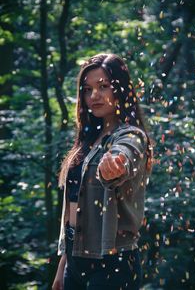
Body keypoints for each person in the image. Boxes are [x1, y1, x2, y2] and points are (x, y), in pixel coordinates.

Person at [52, 53, 154, 290]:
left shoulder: (131, 135)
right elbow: (75, 210)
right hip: (76, 261)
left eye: (103, 87)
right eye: (87, 89)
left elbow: (124, 154)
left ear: (120, 90)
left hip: (114, 263)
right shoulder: (86, 143)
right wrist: (63, 265)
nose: (94, 96)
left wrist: (116, 164)